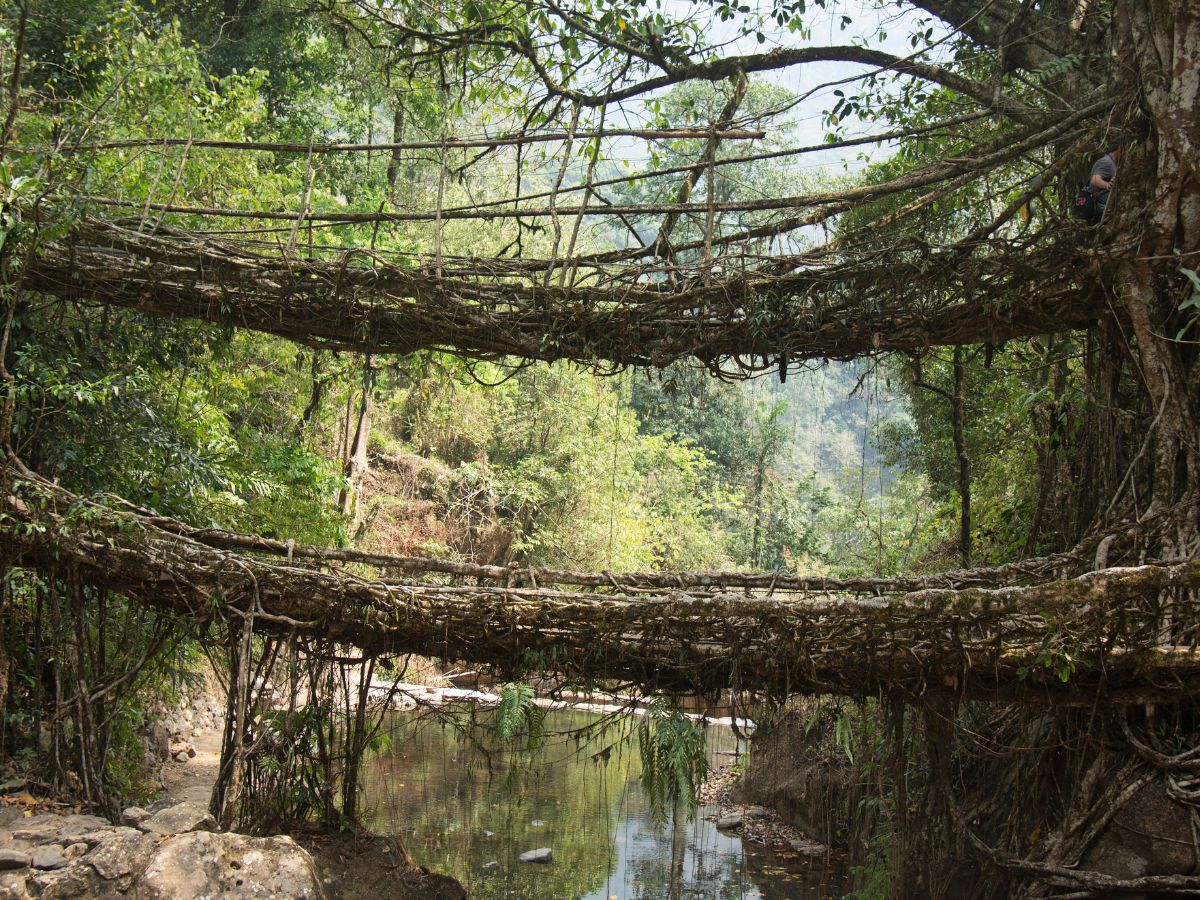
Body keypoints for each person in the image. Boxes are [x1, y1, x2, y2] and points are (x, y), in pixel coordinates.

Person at [1087, 135, 1125, 222]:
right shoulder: (1106, 162)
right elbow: (1095, 180)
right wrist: (1107, 185)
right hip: (1101, 210)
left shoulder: (1113, 163)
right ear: (1120, 148)